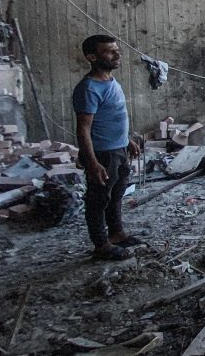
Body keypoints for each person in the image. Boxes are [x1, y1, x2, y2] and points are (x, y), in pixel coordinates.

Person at [74, 35, 142, 261]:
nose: (117, 54)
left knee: (116, 194)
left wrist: (128, 140)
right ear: (92, 57)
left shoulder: (110, 81)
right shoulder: (88, 88)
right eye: (109, 51)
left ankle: (117, 233)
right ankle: (101, 244)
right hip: (103, 154)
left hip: (119, 149)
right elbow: (83, 129)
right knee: (98, 199)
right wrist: (92, 162)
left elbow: (114, 117)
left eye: (116, 50)